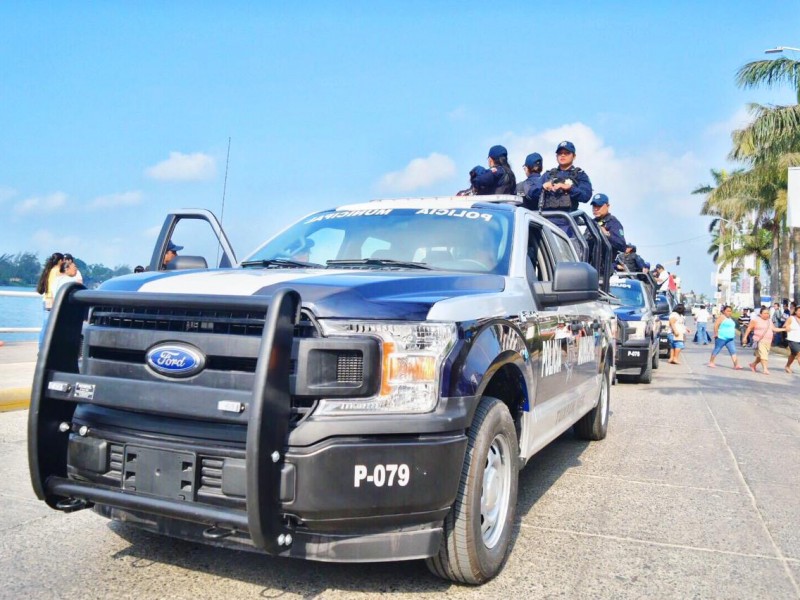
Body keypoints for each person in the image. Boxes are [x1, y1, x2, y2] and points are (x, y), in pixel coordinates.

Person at [540, 141, 592, 210]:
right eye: (560, 153)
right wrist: (543, 187)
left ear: (574, 156)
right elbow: (532, 193)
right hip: (546, 218)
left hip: (567, 218)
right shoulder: (548, 175)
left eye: (567, 153)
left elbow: (586, 196)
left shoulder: (580, 175)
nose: (563, 155)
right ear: (556, 156)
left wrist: (569, 188)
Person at [743, 306, 785, 374]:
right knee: (763, 355)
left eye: (768, 313)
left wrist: (784, 329)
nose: (767, 315)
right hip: (759, 340)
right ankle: (765, 369)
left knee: (760, 356)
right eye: (765, 313)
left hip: (768, 341)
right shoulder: (755, 320)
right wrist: (745, 337)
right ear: (760, 314)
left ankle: (753, 365)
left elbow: (774, 329)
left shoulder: (769, 321)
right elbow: (749, 328)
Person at [35, 252, 64, 347]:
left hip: (46, 300)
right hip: (51, 301)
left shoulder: (49, 270)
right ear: (60, 261)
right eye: (63, 260)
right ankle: (43, 346)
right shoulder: (57, 270)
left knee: (46, 325)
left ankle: (42, 345)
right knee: (48, 325)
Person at [784, 304, 800, 374]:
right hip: (792, 340)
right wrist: (787, 327)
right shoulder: (791, 318)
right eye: (799, 311)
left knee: (793, 355)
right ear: (795, 311)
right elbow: (784, 326)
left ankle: (787, 366)